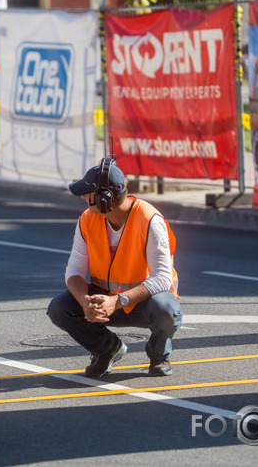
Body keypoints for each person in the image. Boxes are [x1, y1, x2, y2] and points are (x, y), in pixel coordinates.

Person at [47, 157, 182, 377]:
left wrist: (117, 301)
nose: (82, 197)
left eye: (87, 193)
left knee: (166, 309)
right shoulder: (87, 219)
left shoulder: (149, 220)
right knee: (59, 307)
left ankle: (159, 355)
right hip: (105, 303)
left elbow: (162, 278)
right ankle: (107, 349)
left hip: (145, 303)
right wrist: (85, 301)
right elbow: (74, 272)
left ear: (104, 199)